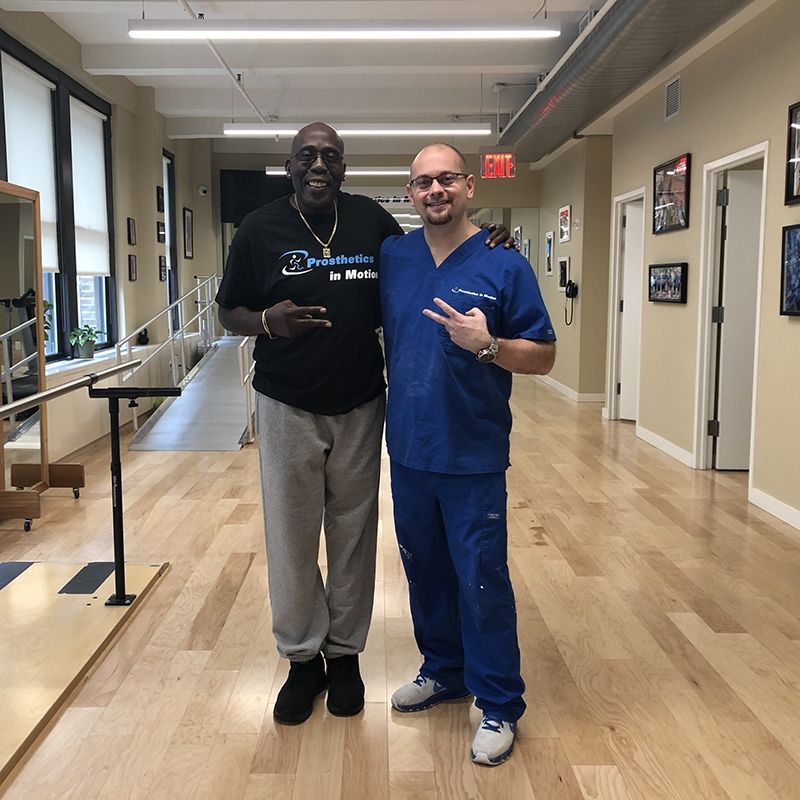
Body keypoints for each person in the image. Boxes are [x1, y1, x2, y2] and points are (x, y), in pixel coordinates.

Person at [215, 123, 512, 726]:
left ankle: (345, 654)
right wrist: (266, 322)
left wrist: (487, 241)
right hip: (285, 403)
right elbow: (228, 311)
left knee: (353, 533)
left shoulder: (371, 222)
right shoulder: (258, 228)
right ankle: (303, 659)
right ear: (290, 166)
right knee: (292, 535)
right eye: (306, 155)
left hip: (360, 402)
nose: (318, 165)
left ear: (344, 167)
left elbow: (428, 256)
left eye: (330, 156)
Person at [380, 143, 556, 765]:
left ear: (470, 185)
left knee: (481, 579)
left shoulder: (505, 264)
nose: (436, 190)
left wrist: (487, 345)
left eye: (447, 178)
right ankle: (444, 670)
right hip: (408, 449)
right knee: (424, 571)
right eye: (423, 182)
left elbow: (543, 355)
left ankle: (499, 702)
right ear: (410, 193)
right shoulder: (394, 256)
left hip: (472, 453)